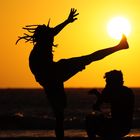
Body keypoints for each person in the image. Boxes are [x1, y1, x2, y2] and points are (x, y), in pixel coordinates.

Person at [16, 8, 129, 140]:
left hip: (53, 79)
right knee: (60, 114)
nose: (52, 39)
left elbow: (54, 31)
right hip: (55, 74)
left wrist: (67, 21)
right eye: (49, 35)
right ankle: (120, 46)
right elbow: (38, 70)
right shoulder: (38, 51)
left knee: (60, 114)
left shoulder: (42, 44)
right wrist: (67, 21)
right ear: (43, 37)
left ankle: (120, 46)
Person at [85, 70, 135, 140]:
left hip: (118, 126)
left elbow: (104, 99)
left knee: (90, 120)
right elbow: (102, 101)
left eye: (107, 82)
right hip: (124, 126)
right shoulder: (127, 91)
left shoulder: (119, 92)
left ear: (113, 82)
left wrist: (97, 93)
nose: (106, 84)